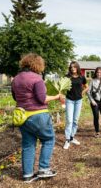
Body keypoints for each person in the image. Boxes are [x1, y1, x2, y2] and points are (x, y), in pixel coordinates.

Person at [11, 53, 61, 183]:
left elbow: (15, 98)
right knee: (48, 139)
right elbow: (42, 99)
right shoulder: (37, 79)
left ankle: (27, 175)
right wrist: (57, 96)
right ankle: (44, 169)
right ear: (38, 64)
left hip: (22, 116)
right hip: (38, 115)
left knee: (28, 145)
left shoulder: (16, 79)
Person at [63, 61, 88, 150]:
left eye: (74, 67)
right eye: (71, 67)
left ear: (77, 67)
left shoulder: (82, 77)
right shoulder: (67, 77)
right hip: (69, 100)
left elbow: (86, 87)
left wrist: (82, 93)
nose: (73, 68)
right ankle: (67, 140)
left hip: (78, 101)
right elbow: (63, 87)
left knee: (75, 120)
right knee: (69, 120)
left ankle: (72, 137)